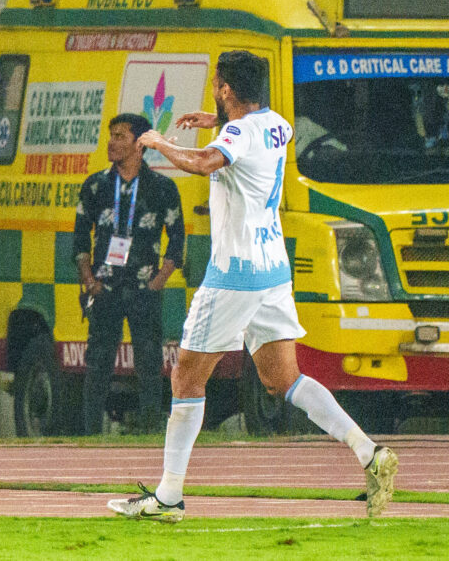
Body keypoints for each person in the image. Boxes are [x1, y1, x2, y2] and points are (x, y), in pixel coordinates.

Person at [109, 50, 398, 522]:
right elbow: (253, 135)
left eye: (216, 86)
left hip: (235, 273)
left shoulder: (237, 134)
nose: (214, 92)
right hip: (273, 270)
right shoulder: (277, 124)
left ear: (225, 89)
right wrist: (216, 122)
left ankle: (168, 496)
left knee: (186, 377)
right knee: (283, 379)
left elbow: (205, 162)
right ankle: (370, 453)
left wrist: (160, 143)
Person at [73, 113, 184, 435]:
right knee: (98, 363)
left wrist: (158, 281)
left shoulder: (162, 187)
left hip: (144, 287)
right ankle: (90, 433)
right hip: (104, 287)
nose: (111, 142)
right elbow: (80, 236)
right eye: (111, 135)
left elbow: (177, 237)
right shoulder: (96, 185)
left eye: (120, 136)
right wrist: (89, 280)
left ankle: (150, 430)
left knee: (149, 362)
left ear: (139, 144)